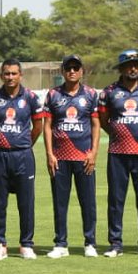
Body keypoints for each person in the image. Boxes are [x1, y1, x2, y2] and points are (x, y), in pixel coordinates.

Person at [97, 49, 138, 257]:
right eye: (128, 65)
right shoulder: (109, 92)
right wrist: (118, 133)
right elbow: (104, 120)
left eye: (136, 65)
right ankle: (115, 243)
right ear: (122, 68)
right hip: (117, 152)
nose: (133, 68)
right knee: (116, 199)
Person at [0, 59, 44, 260]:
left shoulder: (31, 98)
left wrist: (25, 144)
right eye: (6, 73)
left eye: (14, 73)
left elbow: (37, 127)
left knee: (26, 202)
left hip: (23, 156)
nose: (10, 77)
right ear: (1, 75)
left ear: (20, 75)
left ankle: (26, 244)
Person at [43, 54, 100, 258]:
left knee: (88, 202)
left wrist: (93, 153)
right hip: (60, 158)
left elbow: (95, 124)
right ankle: (61, 244)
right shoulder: (53, 95)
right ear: (63, 71)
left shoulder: (91, 95)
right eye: (69, 68)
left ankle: (90, 243)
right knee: (60, 202)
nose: (72, 71)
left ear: (82, 71)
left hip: (83, 157)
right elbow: (47, 126)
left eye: (76, 68)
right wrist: (49, 154)